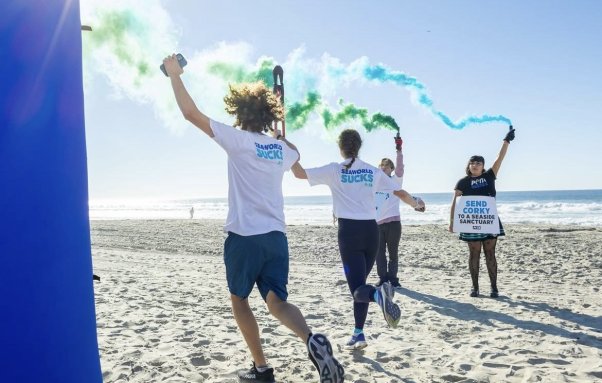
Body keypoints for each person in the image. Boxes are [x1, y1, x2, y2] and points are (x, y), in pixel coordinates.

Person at [163, 54, 344, 383]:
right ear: (268, 115)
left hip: (245, 237)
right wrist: (284, 142)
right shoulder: (281, 150)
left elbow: (190, 114)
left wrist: (174, 75)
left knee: (240, 300)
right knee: (277, 302)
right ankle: (311, 339)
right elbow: (298, 160)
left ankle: (261, 369)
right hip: (276, 238)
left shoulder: (238, 140)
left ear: (239, 111)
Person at [291, 129, 425, 350]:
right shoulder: (372, 171)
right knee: (360, 286)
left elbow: (299, 173)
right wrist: (416, 204)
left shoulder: (335, 170)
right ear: (359, 146)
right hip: (371, 232)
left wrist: (290, 150)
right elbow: (399, 192)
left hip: (349, 233)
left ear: (340, 147)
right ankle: (358, 333)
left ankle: (379, 294)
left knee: (358, 290)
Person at [449, 126, 515, 299]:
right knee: (474, 254)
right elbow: (454, 203)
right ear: (468, 166)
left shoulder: (489, 176)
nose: (475, 165)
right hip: (469, 222)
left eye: (478, 163)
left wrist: (506, 140)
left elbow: (500, 157)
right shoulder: (462, 182)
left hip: (489, 220)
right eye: (472, 162)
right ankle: (475, 287)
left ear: (483, 166)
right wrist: (452, 222)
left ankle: (494, 288)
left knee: (490, 253)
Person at [374, 135, 409, 288]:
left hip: (394, 223)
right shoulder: (374, 183)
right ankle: (383, 278)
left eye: (386, 166)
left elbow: (401, 167)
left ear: (391, 169)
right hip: (377, 224)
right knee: (379, 253)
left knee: (393, 253)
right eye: (381, 165)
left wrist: (399, 150)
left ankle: (393, 279)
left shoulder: (396, 180)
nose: (383, 168)